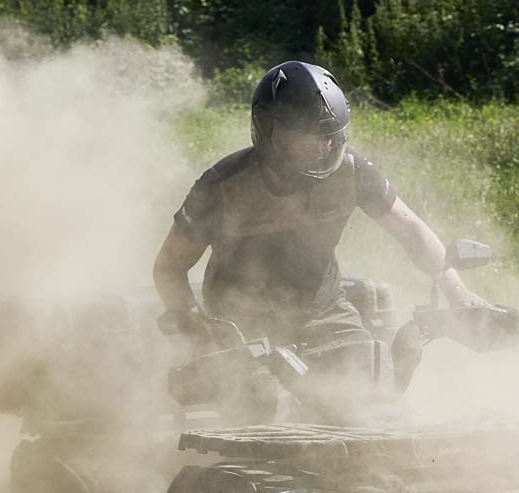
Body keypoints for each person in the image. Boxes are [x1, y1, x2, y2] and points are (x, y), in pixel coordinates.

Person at [151, 60, 488, 418]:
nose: (324, 147)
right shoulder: (221, 186)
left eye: (331, 136)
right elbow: (169, 268)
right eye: (309, 138)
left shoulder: (353, 173)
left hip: (326, 313)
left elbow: (411, 231)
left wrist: (458, 293)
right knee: (258, 420)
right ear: (270, 132)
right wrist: (196, 330)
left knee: (376, 399)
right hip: (238, 324)